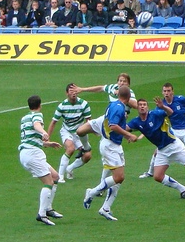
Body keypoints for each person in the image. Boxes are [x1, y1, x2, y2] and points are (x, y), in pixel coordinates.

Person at [83, 86, 139, 221]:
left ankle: (106, 208)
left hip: (115, 145)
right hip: (110, 146)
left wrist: (125, 136)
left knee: (119, 179)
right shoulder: (119, 108)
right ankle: (92, 192)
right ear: (128, 98)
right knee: (119, 177)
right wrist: (128, 135)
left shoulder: (114, 105)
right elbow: (113, 125)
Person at [140, 83, 185, 179]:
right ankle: (150, 172)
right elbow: (153, 118)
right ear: (162, 92)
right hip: (174, 131)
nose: (166, 93)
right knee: (157, 151)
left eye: (168, 91)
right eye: (164, 91)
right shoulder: (161, 105)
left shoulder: (180, 99)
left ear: (172, 91)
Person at [19, 95, 63, 226]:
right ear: (40, 105)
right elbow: (36, 125)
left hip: (27, 152)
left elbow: (31, 138)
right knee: (48, 182)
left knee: (55, 176)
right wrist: (44, 132)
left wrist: (48, 144)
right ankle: (41, 214)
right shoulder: (37, 115)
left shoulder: (24, 118)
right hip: (33, 154)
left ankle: (48, 208)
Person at [47, 83, 92, 184]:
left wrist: (93, 130)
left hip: (79, 133)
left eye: (75, 91)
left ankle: (70, 168)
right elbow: (54, 122)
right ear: (66, 93)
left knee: (87, 155)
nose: (74, 93)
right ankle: (60, 176)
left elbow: (89, 120)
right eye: (71, 91)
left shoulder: (84, 104)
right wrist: (47, 137)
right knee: (70, 148)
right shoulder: (62, 106)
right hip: (66, 131)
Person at [71, 73, 137, 139]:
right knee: (80, 131)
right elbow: (101, 88)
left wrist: (122, 95)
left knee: (108, 142)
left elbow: (136, 105)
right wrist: (82, 89)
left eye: (124, 81)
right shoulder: (113, 87)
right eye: (120, 81)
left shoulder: (129, 93)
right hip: (106, 118)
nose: (122, 83)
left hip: (117, 121)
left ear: (128, 84)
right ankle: (86, 148)